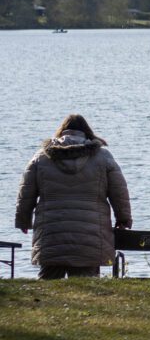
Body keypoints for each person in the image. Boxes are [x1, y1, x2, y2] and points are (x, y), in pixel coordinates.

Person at [14, 114, 132, 279]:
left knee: (48, 286)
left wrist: (23, 220)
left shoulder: (41, 157)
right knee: (87, 287)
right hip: (90, 235)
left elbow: (26, 193)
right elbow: (119, 191)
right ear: (86, 132)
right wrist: (123, 218)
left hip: (51, 234)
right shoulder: (103, 157)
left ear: (61, 132)